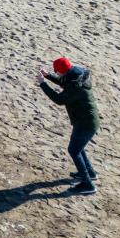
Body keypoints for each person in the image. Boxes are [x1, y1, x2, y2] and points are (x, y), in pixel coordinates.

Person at [38, 58, 100, 194]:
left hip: (85, 123)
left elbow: (59, 99)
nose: (57, 73)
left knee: (74, 150)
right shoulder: (76, 75)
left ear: (61, 70)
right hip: (85, 121)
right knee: (78, 147)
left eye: (56, 71)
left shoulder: (74, 86)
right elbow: (64, 82)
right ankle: (90, 173)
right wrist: (48, 76)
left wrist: (43, 84)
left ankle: (87, 185)